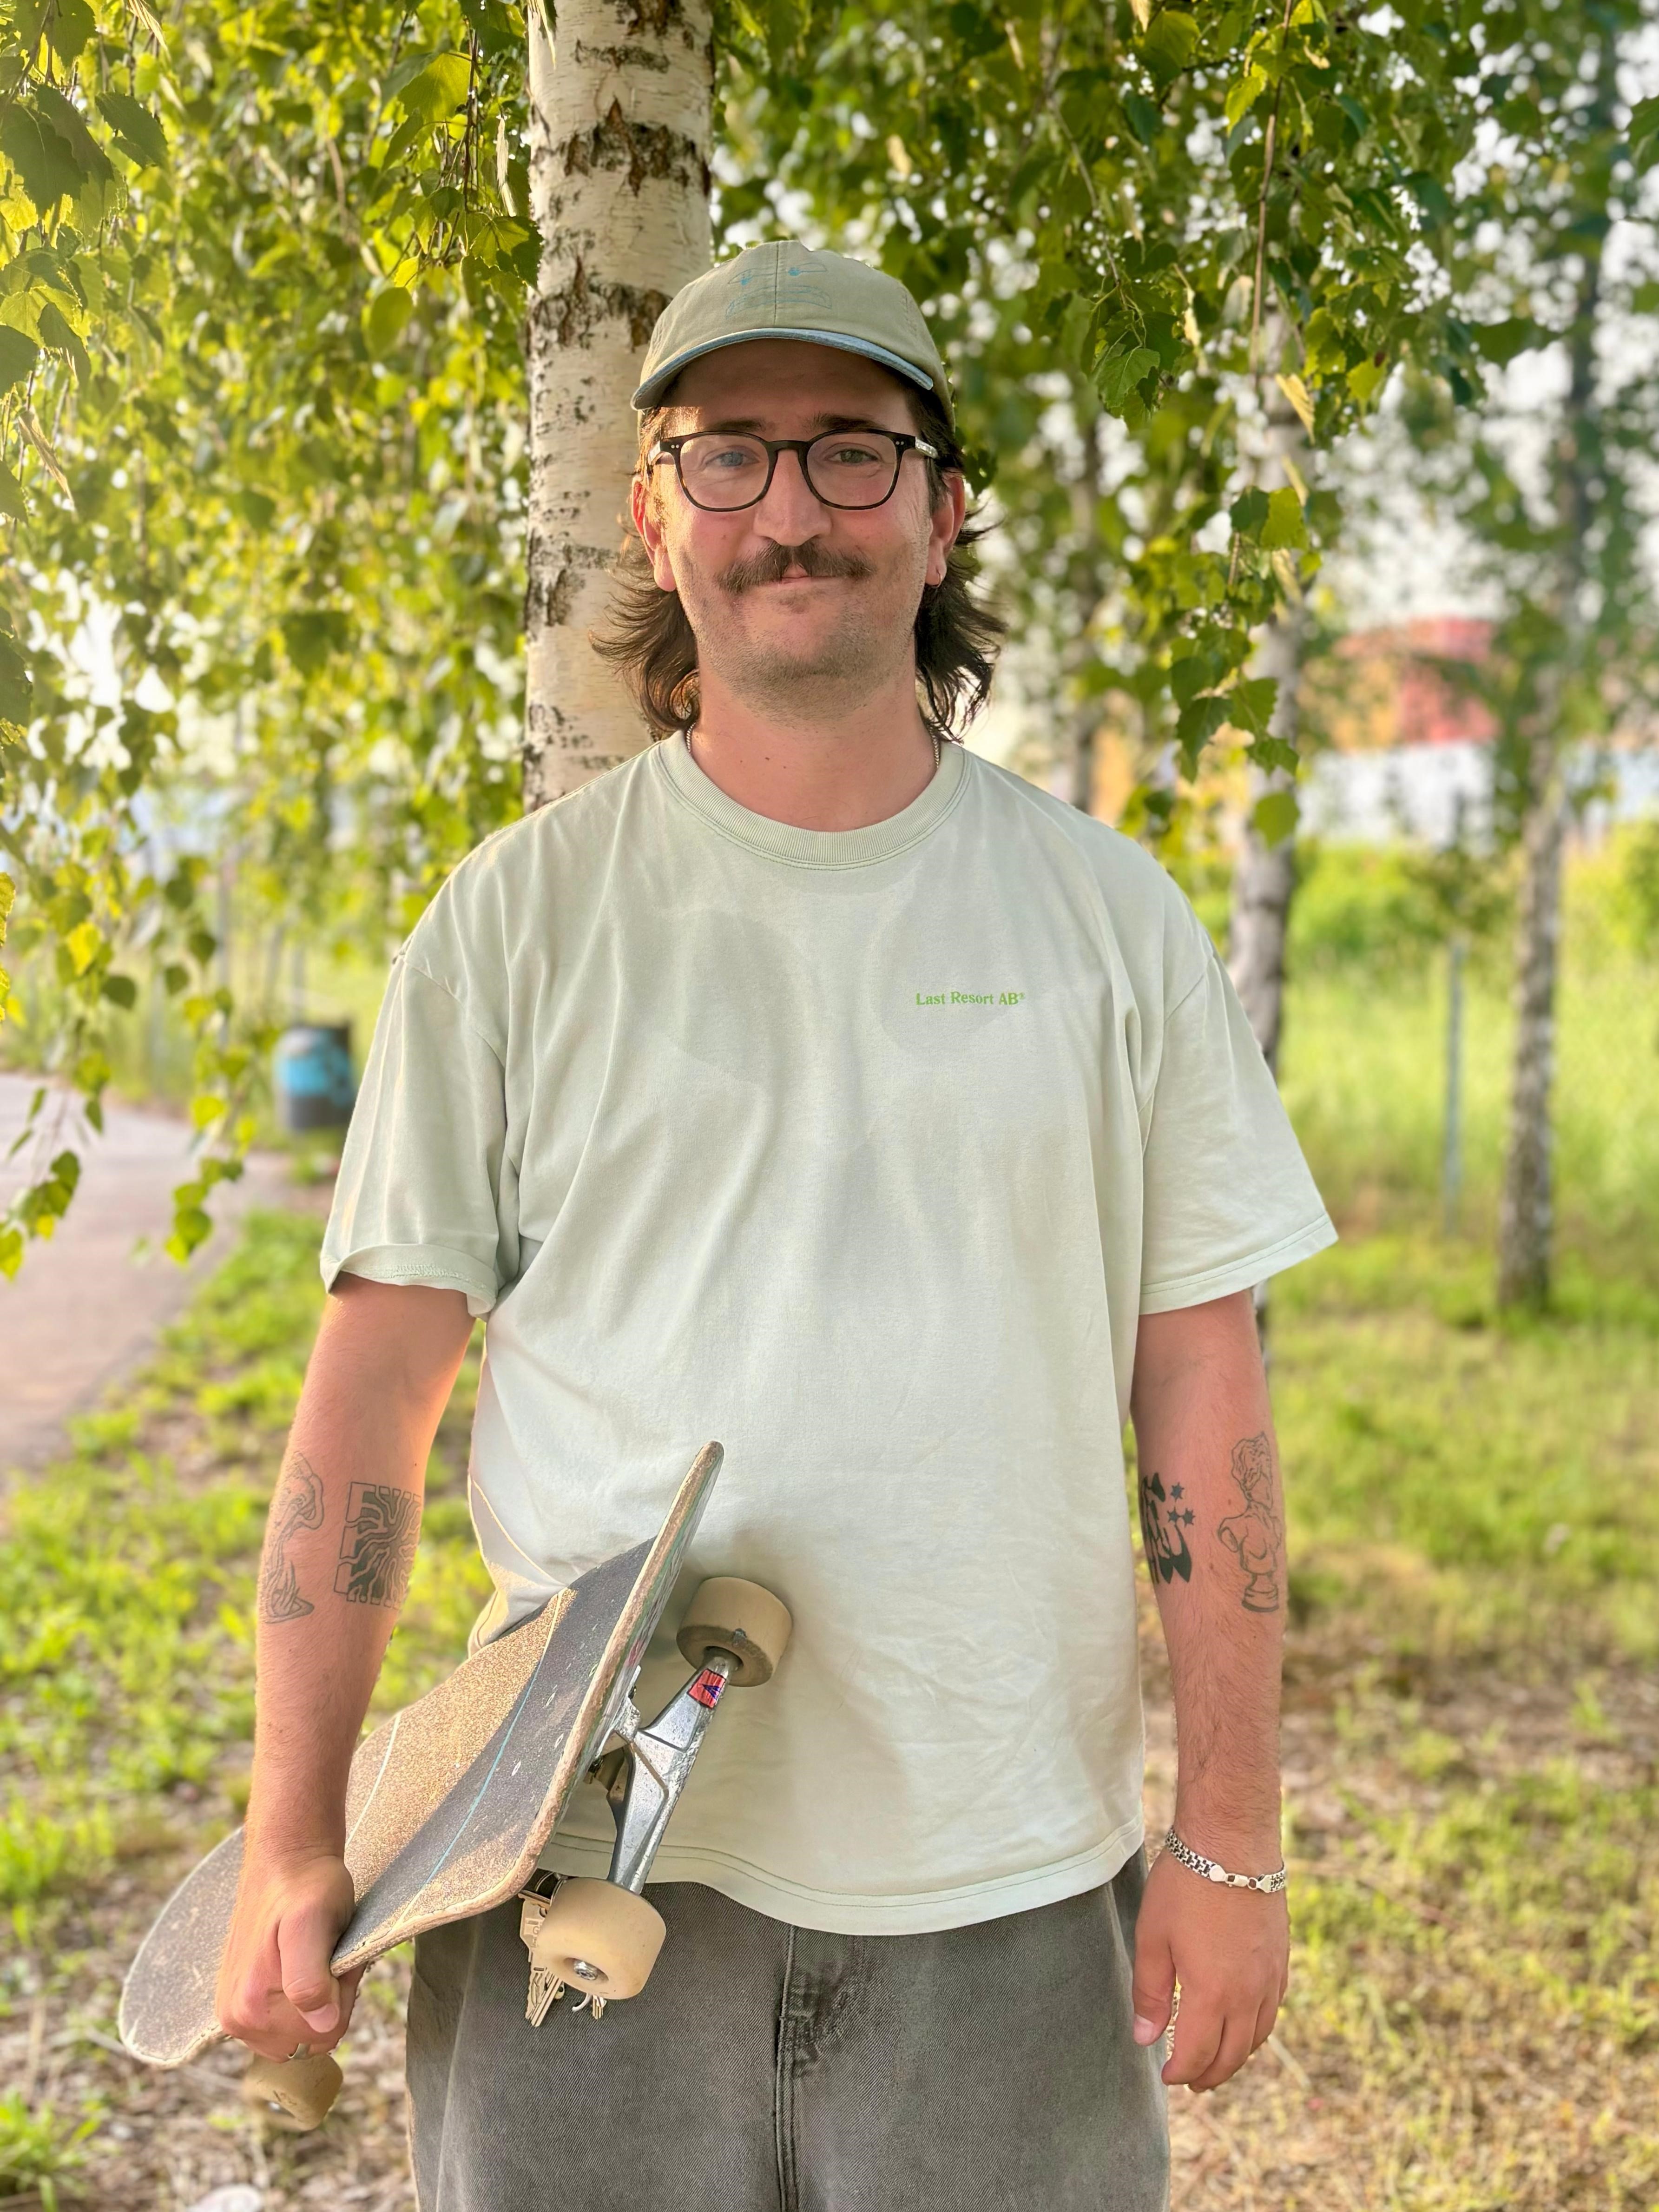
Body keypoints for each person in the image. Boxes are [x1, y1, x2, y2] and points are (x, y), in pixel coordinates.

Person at [216, 239, 1336, 2212]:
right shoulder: (513, 924)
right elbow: (370, 1401)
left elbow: (1201, 1390)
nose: (790, 510)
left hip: (1002, 1881)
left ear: (940, 507)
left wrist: (1228, 1833)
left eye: (848, 449)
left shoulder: (1110, 923)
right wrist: (290, 1833)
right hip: (561, 1855)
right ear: (653, 514)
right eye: (725, 455)